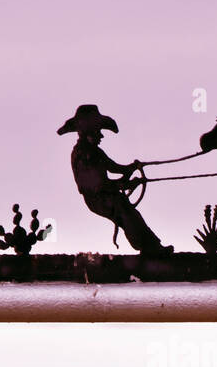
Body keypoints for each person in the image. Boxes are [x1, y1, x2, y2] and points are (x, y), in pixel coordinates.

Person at [57, 105, 173, 256]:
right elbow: (98, 185)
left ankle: (151, 246)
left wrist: (131, 168)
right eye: (98, 131)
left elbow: (115, 168)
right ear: (89, 132)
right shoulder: (82, 154)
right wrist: (127, 183)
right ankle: (149, 247)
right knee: (127, 213)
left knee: (131, 213)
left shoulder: (95, 152)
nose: (101, 136)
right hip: (98, 199)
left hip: (106, 196)